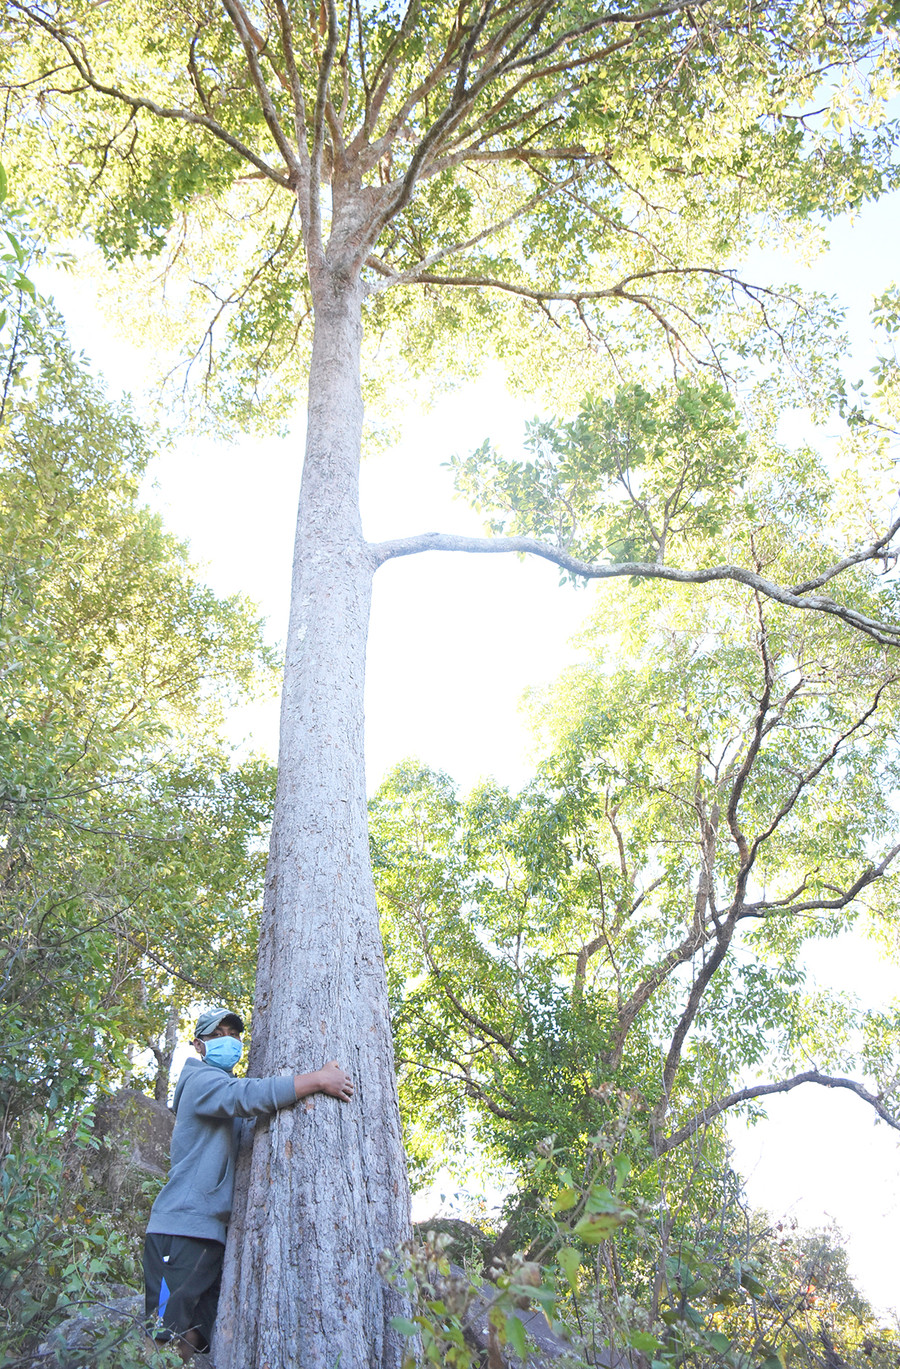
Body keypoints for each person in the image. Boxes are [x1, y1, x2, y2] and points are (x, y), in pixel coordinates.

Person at [143, 1007, 353, 1362]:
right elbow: (248, 1096)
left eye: (235, 1034)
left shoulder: (220, 1092)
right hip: (180, 1230)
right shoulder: (200, 1082)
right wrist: (317, 1080)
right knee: (161, 1334)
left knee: (196, 1337)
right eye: (219, 1033)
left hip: (208, 1235)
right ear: (199, 1045)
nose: (231, 1040)